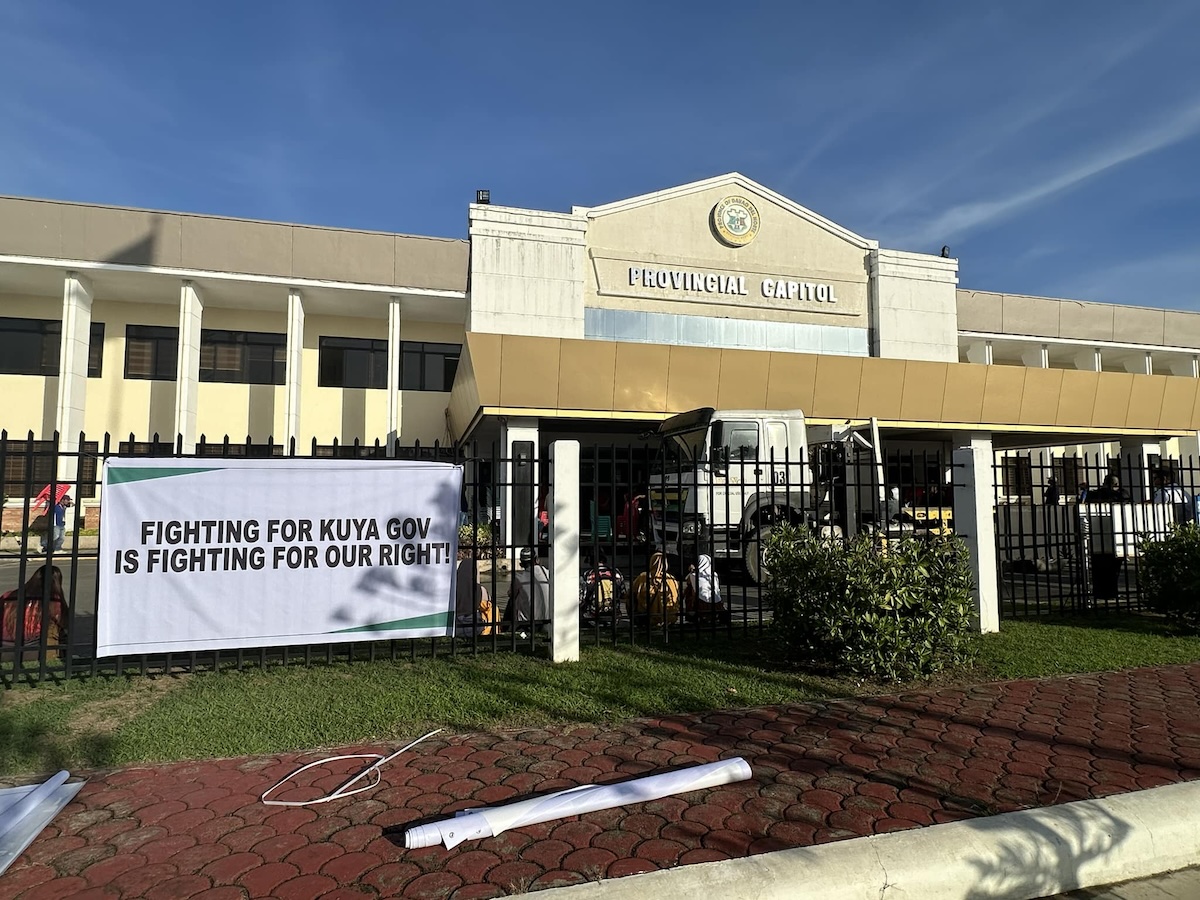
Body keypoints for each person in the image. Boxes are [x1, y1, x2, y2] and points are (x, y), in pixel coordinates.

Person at [1, 565, 67, 647]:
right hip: (32, 645)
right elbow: (63, 623)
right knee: (56, 628)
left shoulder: (8, 595)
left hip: (3, 643)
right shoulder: (53, 600)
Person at [505, 548, 550, 632]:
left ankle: (506, 628)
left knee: (512, 599)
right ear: (537, 559)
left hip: (528, 623)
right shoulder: (547, 573)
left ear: (521, 563)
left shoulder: (519, 578)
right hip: (548, 619)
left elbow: (510, 594)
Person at [631, 551, 680, 627]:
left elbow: (631, 593)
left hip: (647, 617)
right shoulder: (671, 578)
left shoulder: (643, 577)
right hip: (669, 617)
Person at [683, 554, 729, 624]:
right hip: (717, 602)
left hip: (702, 602)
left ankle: (692, 614)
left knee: (689, 590)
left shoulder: (694, 575)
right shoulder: (714, 574)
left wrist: (691, 570)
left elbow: (688, 582)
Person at [580, 554, 625, 621]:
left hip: (593, 614)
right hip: (614, 613)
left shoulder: (588, 574)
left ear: (591, 563)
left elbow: (583, 597)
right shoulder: (616, 572)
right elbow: (623, 593)